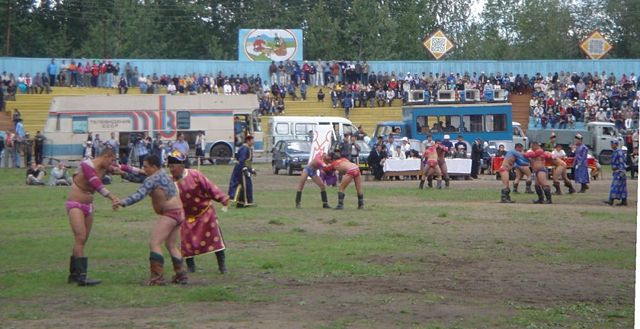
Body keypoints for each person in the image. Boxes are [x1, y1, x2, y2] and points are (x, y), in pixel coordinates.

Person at [114, 155, 188, 285]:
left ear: (154, 167)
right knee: (171, 245)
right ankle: (181, 275)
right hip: (179, 212)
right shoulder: (162, 173)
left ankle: (157, 277)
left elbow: (139, 194)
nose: (144, 169)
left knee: (154, 243)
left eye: (146, 166)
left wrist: (122, 202)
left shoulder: (152, 179)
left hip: (170, 214)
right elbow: (141, 179)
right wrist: (123, 174)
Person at [164, 150, 231, 274]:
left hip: (205, 213)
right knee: (187, 242)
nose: (171, 169)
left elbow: (210, 187)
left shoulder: (195, 175)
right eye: (170, 166)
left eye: (173, 166)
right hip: (187, 217)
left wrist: (222, 197)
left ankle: (222, 265)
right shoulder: (170, 182)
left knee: (215, 239)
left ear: (182, 165)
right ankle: (191, 266)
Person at [66, 148, 119, 286]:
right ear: (106, 156)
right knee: (80, 237)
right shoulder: (87, 164)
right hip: (75, 204)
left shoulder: (105, 167)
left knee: (82, 241)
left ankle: (73, 274)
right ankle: (82, 277)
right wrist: (112, 197)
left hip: (88, 206)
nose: (113, 163)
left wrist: (145, 173)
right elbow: (96, 184)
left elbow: (124, 169)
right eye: (112, 160)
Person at [228, 135, 256, 208]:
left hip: (243, 168)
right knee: (246, 185)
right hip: (241, 170)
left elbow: (247, 162)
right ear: (248, 141)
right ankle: (246, 202)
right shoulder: (244, 148)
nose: (253, 142)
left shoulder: (247, 148)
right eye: (252, 140)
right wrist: (245, 170)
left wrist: (251, 170)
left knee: (245, 186)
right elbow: (242, 160)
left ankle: (241, 203)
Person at [604, 140, 627, 206]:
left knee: (615, 186)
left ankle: (611, 200)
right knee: (621, 187)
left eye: (613, 144)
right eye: (611, 144)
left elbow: (622, 162)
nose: (611, 145)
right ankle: (623, 201)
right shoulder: (615, 152)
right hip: (617, 171)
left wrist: (621, 171)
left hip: (620, 172)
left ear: (616, 145)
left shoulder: (619, 152)